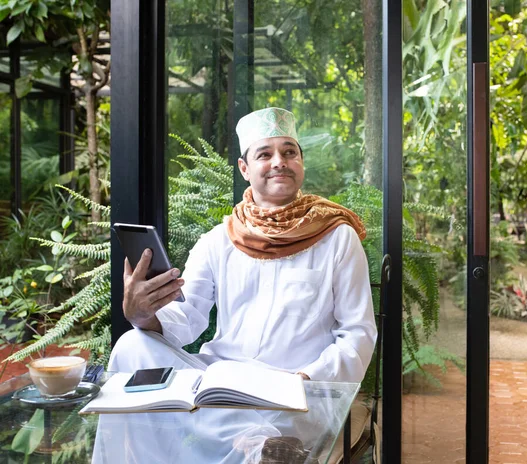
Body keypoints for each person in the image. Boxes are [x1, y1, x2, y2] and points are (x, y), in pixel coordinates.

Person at [93, 107, 376, 463]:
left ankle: (260, 442)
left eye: (290, 152)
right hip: (221, 381)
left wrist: (307, 379)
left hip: (293, 389)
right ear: (244, 169)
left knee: (240, 418)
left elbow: (357, 333)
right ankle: (258, 444)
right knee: (132, 345)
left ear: (301, 162)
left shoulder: (337, 237)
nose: (279, 162)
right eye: (265, 154)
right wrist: (143, 314)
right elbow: (187, 317)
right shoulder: (219, 240)